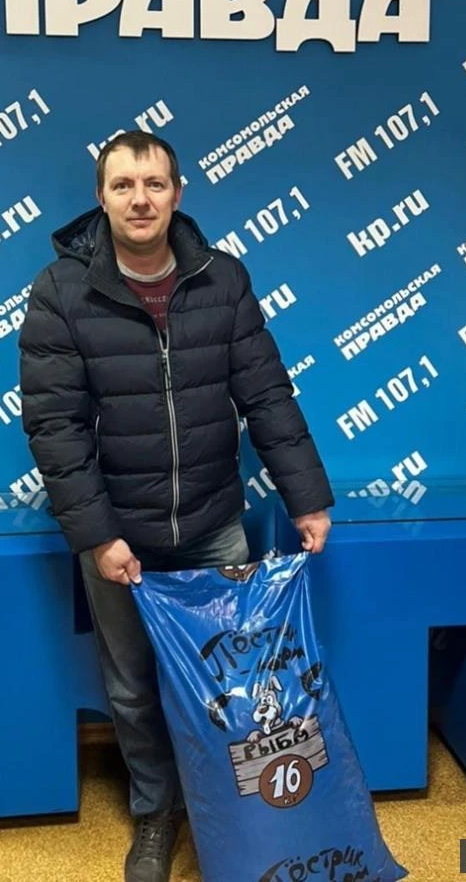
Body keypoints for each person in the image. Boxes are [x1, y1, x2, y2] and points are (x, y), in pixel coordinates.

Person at [18, 130, 334, 882]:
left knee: (235, 686)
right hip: (119, 538)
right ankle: (156, 814)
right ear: (101, 197)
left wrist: (307, 498)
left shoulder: (222, 279)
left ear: (178, 193)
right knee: (133, 689)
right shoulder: (60, 291)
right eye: (123, 185)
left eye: (154, 184)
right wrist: (98, 537)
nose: (140, 199)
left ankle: (238, 810)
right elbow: (56, 428)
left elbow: (267, 395)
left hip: (213, 526)